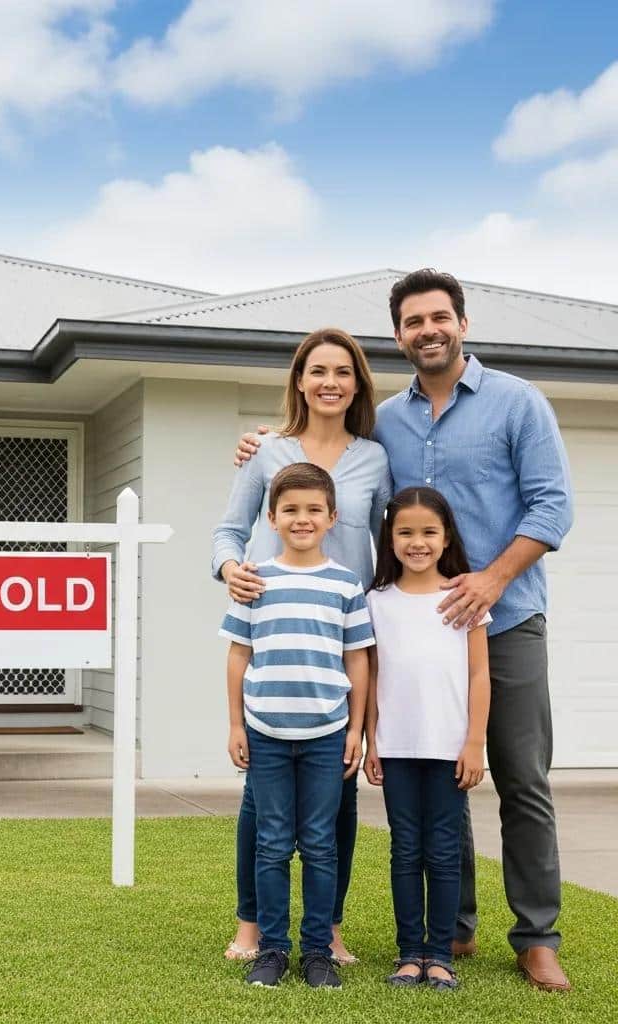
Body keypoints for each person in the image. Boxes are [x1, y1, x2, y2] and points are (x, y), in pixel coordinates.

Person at [235, 269, 574, 991]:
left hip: (502, 619)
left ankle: (536, 936)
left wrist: (490, 579)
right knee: (437, 772)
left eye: (439, 317)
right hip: (404, 629)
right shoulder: (386, 419)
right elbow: (329, 466)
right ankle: (453, 927)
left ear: (463, 322)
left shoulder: (518, 402)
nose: (429, 330)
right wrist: (269, 444)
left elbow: (551, 508)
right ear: (399, 336)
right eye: (414, 321)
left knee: (519, 778)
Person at [213, 327, 391, 965]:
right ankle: (252, 923)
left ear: (357, 384)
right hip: (275, 629)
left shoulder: (374, 456)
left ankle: (330, 925)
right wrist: (230, 569)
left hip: (341, 634)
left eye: (343, 372)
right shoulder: (266, 449)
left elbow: (389, 543)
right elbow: (230, 532)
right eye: (317, 371)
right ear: (298, 379)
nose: (330, 383)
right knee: (259, 806)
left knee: (336, 798)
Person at [220, 462, 373, 989]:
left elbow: (357, 660)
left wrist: (355, 730)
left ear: (333, 517)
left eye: (313, 510)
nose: (302, 519)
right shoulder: (255, 580)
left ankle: (317, 952)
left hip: (327, 735)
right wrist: (236, 725)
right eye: (290, 510)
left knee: (320, 844)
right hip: (265, 732)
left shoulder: (346, 584)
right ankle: (272, 948)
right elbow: (239, 656)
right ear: (272, 516)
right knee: (271, 842)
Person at [363, 487, 491, 991]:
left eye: (428, 532)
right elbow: (372, 676)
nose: (417, 542)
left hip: (447, 749)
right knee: (404, 851)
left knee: (443, 852)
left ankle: (440, 954)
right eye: (406, 533)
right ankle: (409, 953)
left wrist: (474, 742)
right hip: (396, 748)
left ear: (446, 538)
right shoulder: (378, 602)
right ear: (390, 539)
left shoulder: (465, 597)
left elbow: (480, 674)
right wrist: (373, 742)